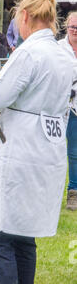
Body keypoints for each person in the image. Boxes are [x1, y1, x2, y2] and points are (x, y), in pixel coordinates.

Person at [0, 0, 75, 284]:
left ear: (25, 18)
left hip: (20, 149)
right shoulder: (64, 56)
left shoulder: (28, 53)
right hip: (48, 150)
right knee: (23, 234)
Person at [59, 11, 77, 210]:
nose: (75, 31)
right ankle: (50, 191)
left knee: (74, 153)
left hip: (76, 110)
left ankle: (73, 192)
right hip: (57, 107)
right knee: (51, 150)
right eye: (73, 27)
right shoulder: (58, 48)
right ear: (67, 27)